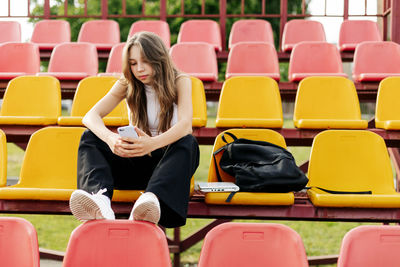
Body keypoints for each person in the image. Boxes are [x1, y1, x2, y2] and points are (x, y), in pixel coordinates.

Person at [69, 31, 200, 228]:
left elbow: (185, 126)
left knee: (188, 142)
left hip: (166, 169)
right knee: (90, 137)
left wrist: (152, 144)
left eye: (145, 61)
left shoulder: (181, 81)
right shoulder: (127, 82)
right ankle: (100, 201)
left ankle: (151, 201)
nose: (139, 69)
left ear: (159, 58)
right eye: (132, 63)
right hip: (136, 163)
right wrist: (110, 139)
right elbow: (90, 117)